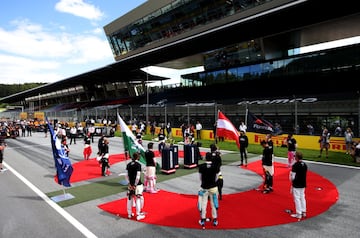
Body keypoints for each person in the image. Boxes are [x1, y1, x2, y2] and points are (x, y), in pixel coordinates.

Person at [198, 145, 220, 229]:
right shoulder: (215, 166)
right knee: (214, 204)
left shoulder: (202, 166)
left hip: (204, 187)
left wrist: (204, 182)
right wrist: (213, 182)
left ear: (205, 158)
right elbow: (217, 177)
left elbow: (200, 177)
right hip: (213, 187)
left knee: (203, 204)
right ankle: (214, 219)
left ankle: (203, 219)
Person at [126, 152, 146, 221]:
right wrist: (135, 184)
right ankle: (138, 214)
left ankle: (129, 213)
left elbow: (126, 175)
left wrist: (129, 183)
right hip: (137, 184)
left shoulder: (128, 164)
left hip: (130, 184)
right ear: (138, 157)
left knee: (129, 198)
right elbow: (138, 176)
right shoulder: (138, 165)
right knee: (138, 198)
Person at [289, 151, 307, 220]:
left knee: (297, 198)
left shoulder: (295, 165)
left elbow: (293, 177)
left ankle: (298, 213)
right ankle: (304, 211)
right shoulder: (304, 165)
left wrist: (290, 177)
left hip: (296, 183)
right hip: (303, 183)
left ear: (296, 157)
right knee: (302, 197)